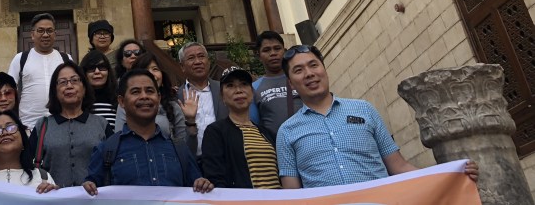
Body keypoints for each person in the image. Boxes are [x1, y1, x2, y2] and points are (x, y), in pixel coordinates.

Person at [277, 45, 479, 189]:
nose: (309, 73)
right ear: (291, 84)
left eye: (314, 65)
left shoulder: (364, 110)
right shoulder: (287, 132)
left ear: (324, 69)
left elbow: (398, 166)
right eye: (298, 70)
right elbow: (293, 194)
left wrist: (450, 174)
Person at [83, 69, 212, 195]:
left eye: (149, 91)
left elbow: (197, 186)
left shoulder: (179, 149)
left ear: (159, 98)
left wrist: (202, 184)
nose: (144, 96)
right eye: (135, 92)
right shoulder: (106, 150)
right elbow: (90, 193)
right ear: (121, 101)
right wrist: (87, 187)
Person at [28, 62, 108, 187]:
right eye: (62, 82)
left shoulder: (101, 124)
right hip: (53, 200)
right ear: (55, 91)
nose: (69, 86)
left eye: (75, 80)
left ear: (84, 87)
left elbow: (114, 166)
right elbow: (28, 166)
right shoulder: (42, 126)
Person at [202, 66, 279, 189]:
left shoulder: (267, 133)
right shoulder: (215, 132)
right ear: (222, 97)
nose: (238, 90)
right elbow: (215, 178)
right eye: (230, 85)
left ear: (252, 93)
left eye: (244, 84)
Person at [114, 52, 198, 153]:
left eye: (155, 69)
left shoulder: (173, 106)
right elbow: (120, 141)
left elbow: (186, 149)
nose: (151, 74)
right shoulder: (127, 105)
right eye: (144, 69)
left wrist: (190, 120)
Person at [7, 13, 72, 130]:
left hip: (62, 123)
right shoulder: (21, 59)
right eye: (41, 30)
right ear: (32, 34)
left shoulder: (66, 59)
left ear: (55, 34)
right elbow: (9, 90)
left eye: (49, 31)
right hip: (29, 125)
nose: (45, 35)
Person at [0, 110, 59, 193]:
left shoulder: (43, 178)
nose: (5, 133)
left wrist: (54, 197)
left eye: (11, 128)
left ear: (23, 139)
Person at [176, 42, 226, 160]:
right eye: (191, 58)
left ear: (208, 61)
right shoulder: (176, 96)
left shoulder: (224, 90)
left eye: (201, 56)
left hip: (225, 159)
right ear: (182, 66)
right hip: (193, 162)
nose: (198, 62)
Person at [250, 31, 302, 141]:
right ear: (258, 55)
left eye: (277, 48)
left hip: (308, 142)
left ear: (285, 51)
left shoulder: (300, 78)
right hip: (276, 150)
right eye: (266, 50)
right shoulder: (253, 88)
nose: (273, 53)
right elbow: (253, 125)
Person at [80, 50, 117, 130]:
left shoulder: (119, 97)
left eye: (102, 68)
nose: (97, 72)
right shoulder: (78, 100)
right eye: (91, 68)